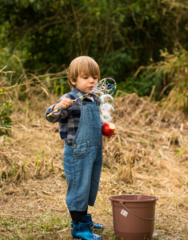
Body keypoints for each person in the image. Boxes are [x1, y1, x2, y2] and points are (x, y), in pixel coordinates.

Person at [45, 56, 114, 240]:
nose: (91, 81)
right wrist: (58, 107)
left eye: (95, 77)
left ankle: (84, 219)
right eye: (85, 77)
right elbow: (50, 116)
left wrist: (105, 129)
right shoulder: (70, 98)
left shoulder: (94, 98)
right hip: (77, 152)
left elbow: (96, 122)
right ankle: (78, 227)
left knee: (89, 185)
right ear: (73, 80)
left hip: (94, 150)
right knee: (78, 187)